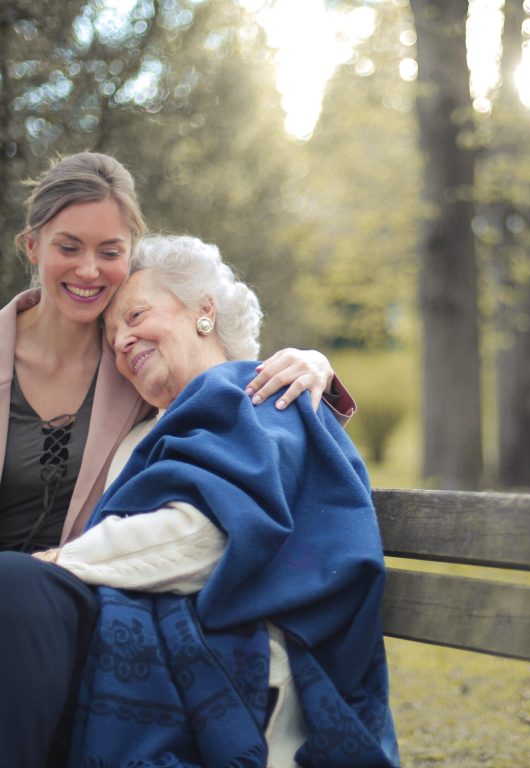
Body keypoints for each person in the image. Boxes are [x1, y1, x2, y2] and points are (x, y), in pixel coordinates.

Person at [0, 152, 356, 765]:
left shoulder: (205, 388)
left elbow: (246, 410)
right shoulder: (142, 387)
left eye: (109, 252)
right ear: (32, 247)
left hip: (66, 605)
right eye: (68, 246)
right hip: (83, 611)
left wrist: (315, 363)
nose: (121, 339)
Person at [38, 234, 399, 767]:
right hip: (171, 645)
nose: (121, 343)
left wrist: (50, 569)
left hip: (254, 661)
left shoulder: (260, 393)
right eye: (112, 337)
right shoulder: (141, 437)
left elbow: (211, 533)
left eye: (135, 315)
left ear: (204, 311)